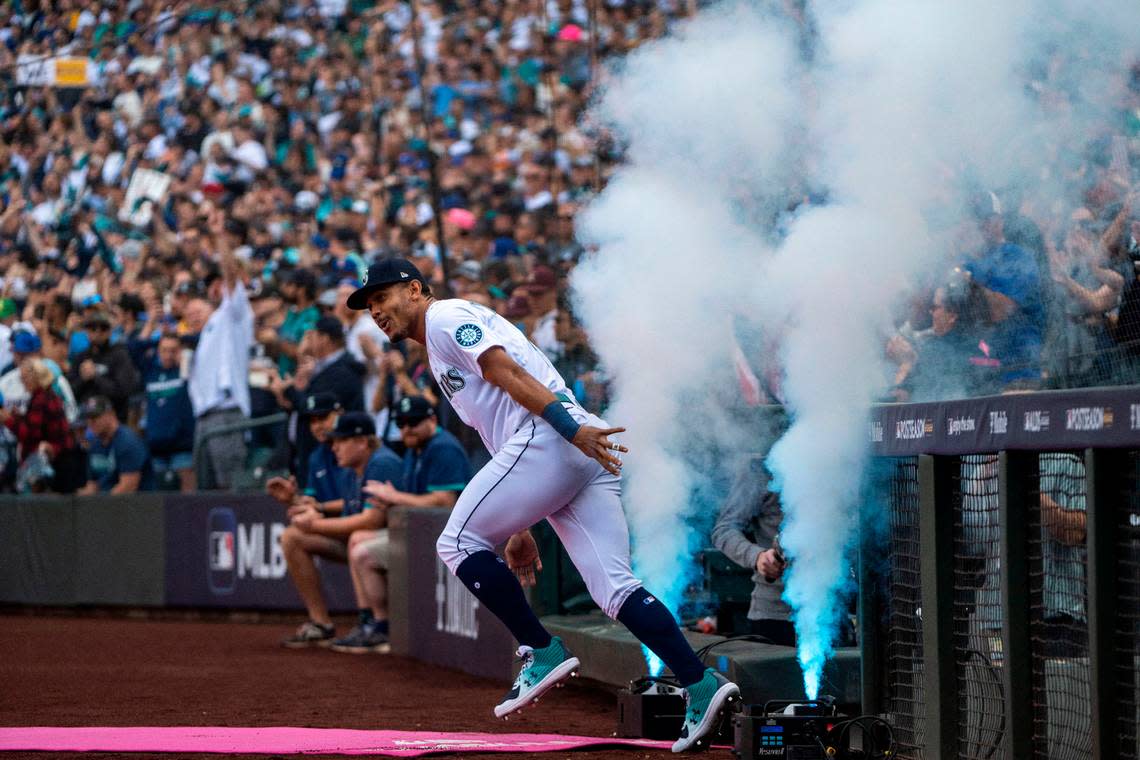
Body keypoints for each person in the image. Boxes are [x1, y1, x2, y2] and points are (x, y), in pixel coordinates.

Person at [347, 258, 739, 752]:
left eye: (382, 297)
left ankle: (541, 649)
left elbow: (502, 370)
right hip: (560, 444)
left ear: (416, 289)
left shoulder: (443, 319)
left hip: (554, 435)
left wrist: (570, 432)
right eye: (369, 305)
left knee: (459, 542)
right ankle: (699, 682)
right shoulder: (438, 344)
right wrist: (520, 524)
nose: (376, 311)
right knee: (614, 589)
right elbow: (498, 425)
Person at [331, 395, 472, 654]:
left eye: (413, 422)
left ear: (432, 419)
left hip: (451, 540)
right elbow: (414, 500)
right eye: (401, 423)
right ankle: (370, 622)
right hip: (422, 535)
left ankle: (382, 626)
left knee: (362, 552)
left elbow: (444, 502)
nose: (406, 428)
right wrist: (392, 502)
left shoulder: (443, 447)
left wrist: (395, 498)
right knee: (359, 538)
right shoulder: (413, 450)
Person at [279, 411, 402, 648]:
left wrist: (315, 524)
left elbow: (371, 521)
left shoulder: (382, 462)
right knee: (293, 537)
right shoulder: (351, 469)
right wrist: (303, 506)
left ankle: (377, 624)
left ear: (362, 442)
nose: (334, 447)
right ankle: (323, 624)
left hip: (401, 544)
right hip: (370, 543)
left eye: (341, 441)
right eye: (334, 441)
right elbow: (349, 510)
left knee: (358, 537)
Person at [186, 222, 254, 490]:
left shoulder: (234, 314)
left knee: (229, 487)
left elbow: (230, 273)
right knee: (206, 489)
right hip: (203, 416)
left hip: (226, 411)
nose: (216, 288)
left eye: (219, 284)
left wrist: (218, 237)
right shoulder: (208, 330)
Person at [710, 454, 795, 646]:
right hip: (775, 615)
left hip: (832, 612)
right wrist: (758, 557)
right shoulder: (761, 469)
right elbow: (724, 530)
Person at [0, 358, 84, 493]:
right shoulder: (45, 395)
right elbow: (36, 425)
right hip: (59, 457)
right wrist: (17, 417)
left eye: (25, 378)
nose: (23, 382)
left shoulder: (41, 398)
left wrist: (8, 420)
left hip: (55, 461)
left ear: (35, 378)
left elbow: (29, 434)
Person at [265, 392, 346, 511]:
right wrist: (292, 499)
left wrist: (321, 507)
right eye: (312, 421)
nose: (317, 426)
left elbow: (359, 503)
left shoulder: (358, 449)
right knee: (296, 527)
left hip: (362, 523)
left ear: (340, 413)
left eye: (323, 418)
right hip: (331, 522)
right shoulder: (316, 457)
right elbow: (311, 503)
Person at [143, 333, 196, 491]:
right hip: (156, 447)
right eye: (164, 350)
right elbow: (133, 348)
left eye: (173, 350)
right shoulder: (151, 371)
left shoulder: (189, 372)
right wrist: (154, 338)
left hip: (183, 447)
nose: (168, 355)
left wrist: (185, 359)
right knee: (160, 501)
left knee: (187, 499)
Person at [67, 311, 140, 422]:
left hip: (113, 417)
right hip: (85, 418)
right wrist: (83, 379)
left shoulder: (119, 355)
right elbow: (70, 392)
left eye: (103, 328)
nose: (98, 332)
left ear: (110, 332)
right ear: (86, 331)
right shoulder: (81, 358)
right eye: (93, 328)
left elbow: (123, 391)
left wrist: (95, 377)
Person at [78, 396, 154, 494]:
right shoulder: (95, 444)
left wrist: (99, 507)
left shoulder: (128, 442)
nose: (90, 423)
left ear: (111, 414)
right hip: (103, 502)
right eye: (87, 419)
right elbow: (92, 484)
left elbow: (128, 487)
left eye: (95, 417)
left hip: (136, 505)